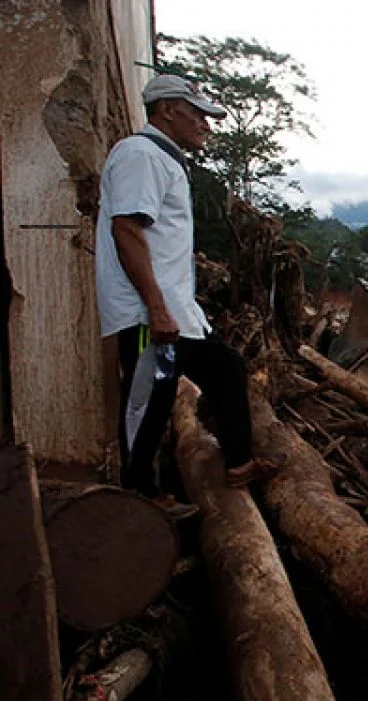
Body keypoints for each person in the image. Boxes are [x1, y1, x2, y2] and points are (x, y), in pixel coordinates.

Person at [95, 74, 280, 517]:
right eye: (196, 113)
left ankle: (237, 463)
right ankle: (138, 498)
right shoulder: (140, 155)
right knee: (146, 404)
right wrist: (156, 308)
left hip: (169, 309)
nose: (205, 124)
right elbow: (127, 230)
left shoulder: (162, 159)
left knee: (224, 368)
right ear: (165, 110)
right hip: (146, 313)